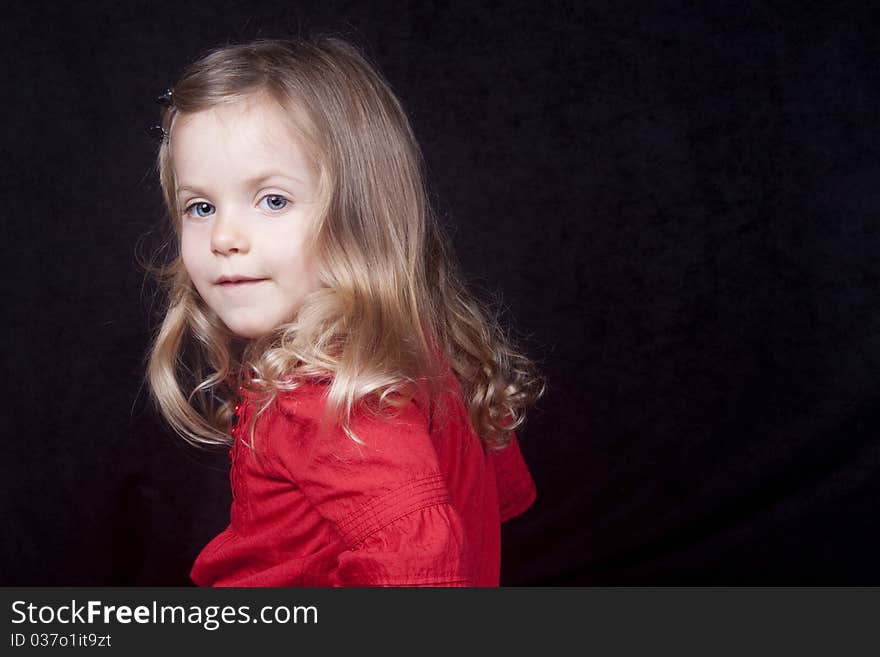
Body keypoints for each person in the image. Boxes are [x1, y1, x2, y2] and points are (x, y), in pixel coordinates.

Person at [147, 35, 545, 586]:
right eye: (201, 206)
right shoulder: (430, 345)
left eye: (273, 200)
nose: (223, 236)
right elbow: (485, 500)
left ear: (360, 216)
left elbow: (422, 568)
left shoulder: (326, 393)